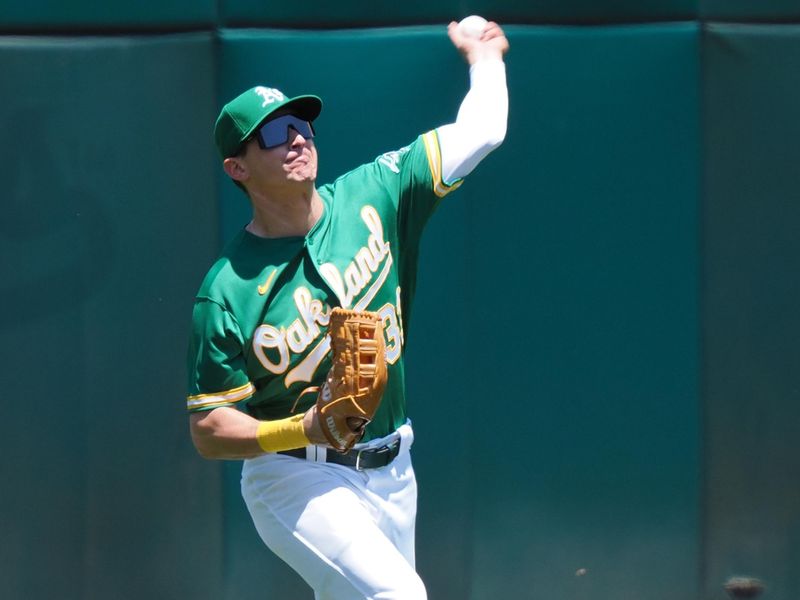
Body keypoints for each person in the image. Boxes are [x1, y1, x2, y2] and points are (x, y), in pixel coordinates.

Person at [186, 19, 509, 600]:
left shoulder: (375, 192)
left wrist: (484, 57)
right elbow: (209, 429)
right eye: (274, 133)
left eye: (301, 123)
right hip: (294, 474)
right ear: (237, 168)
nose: (297, 138)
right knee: (400, 596)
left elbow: (483, 130)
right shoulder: (227, 289)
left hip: (394, 463)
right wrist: (300, 427)